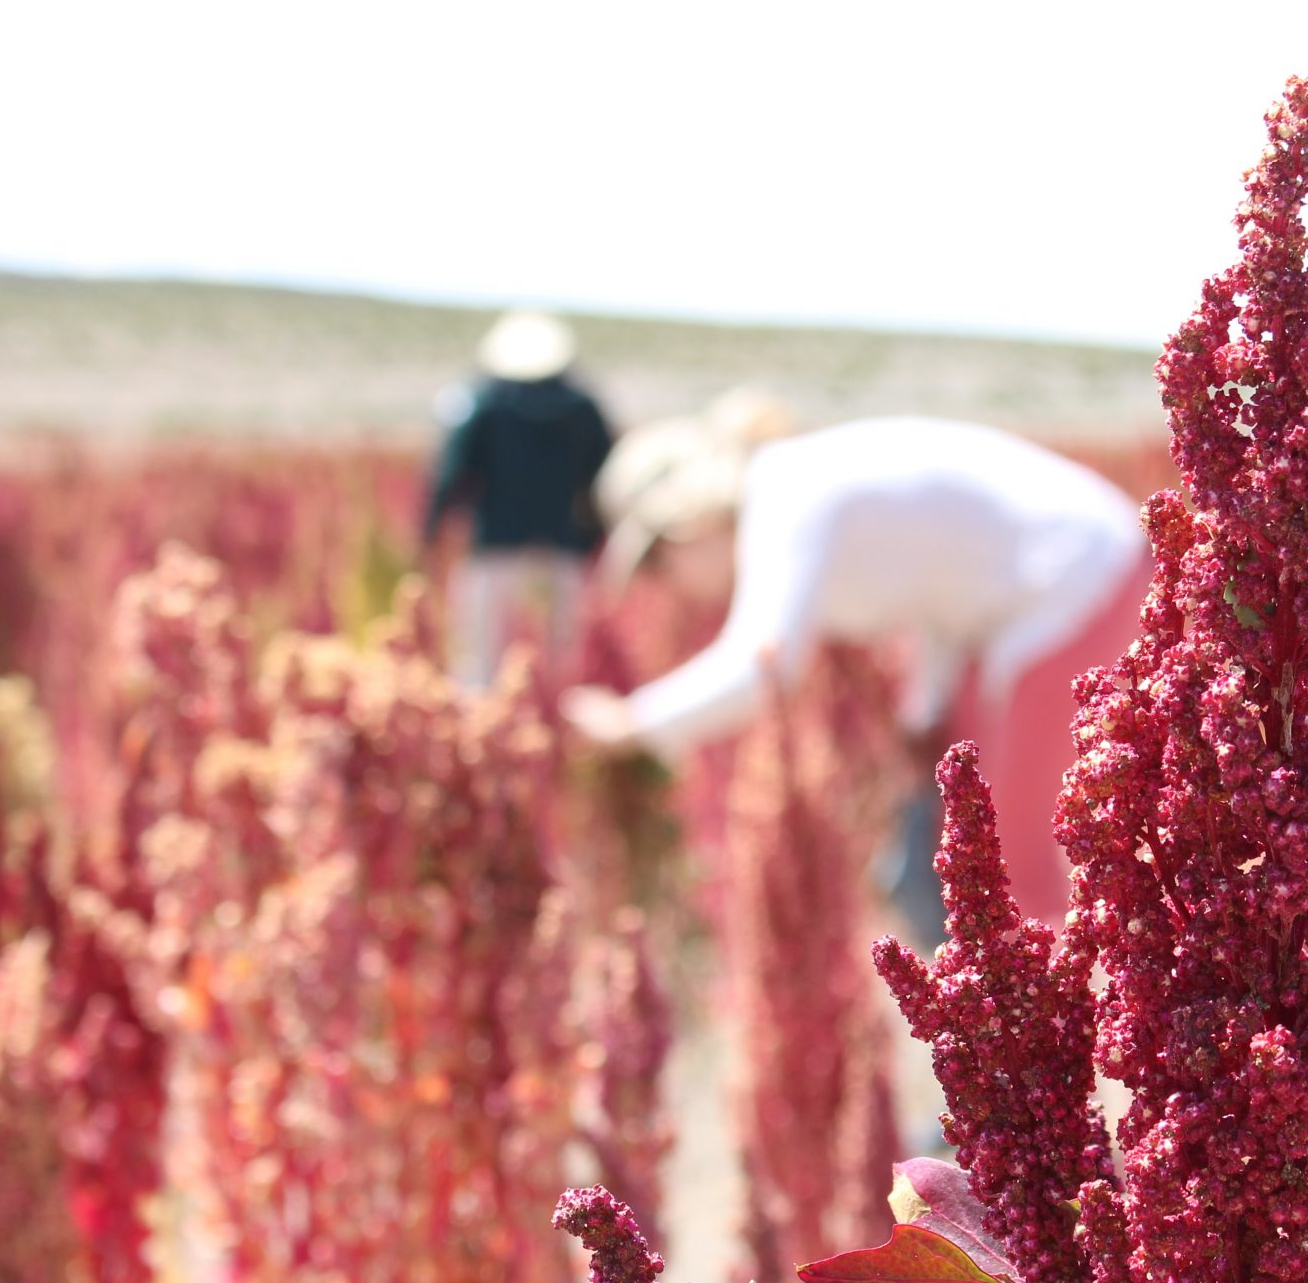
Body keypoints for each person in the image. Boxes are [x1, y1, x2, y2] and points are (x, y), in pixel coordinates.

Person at [564, 397, 1148, 930]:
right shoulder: (790, 484)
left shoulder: (786, 495)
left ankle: (1047, 1022)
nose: (667, 587)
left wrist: (631, 724)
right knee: (966, 825)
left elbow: (762, 665)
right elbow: (941, 599)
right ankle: (1006, 1000)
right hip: (1020, 605)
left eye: (659, 564)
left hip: (1084, 574)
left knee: (1008, 841)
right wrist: (928, 711)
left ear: (689, 522)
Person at [422, 308, 615, 690]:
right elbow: (605, 479)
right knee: (559, 664)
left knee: (481, 664)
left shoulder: (484, 404)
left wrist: (429, 532)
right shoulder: (583, 407)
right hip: (562, 550)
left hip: (495, 548)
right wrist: (594, 541)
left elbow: (451, 473)